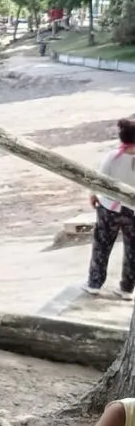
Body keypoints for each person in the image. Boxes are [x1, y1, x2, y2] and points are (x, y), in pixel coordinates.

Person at [83, 118, 135, 301]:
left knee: (102, 246)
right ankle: (127, 289)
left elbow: (99, 179)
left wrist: (93, 194)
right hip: (133, 211)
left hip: (110, 208)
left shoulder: (113, 156)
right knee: (133, 250)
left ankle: (94, 284)